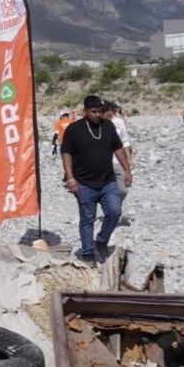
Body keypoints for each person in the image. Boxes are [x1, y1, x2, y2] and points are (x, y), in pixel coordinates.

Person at [62, 95, 132, 261]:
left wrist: (127, 170)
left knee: (115, 212)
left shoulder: (107, 126)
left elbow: (118, 148)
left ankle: (101, 241)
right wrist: (70, 178)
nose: (97, 115)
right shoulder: (74, 129)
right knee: (87, 219)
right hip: (84, 183)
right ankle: (87, 253)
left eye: (100, 112)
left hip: (107, 181)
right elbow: (66, 153)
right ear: (85, 111)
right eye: (93, 112)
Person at [102, 101, 133, 198]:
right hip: (105, 161)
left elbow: (125, 141)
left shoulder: (119, 122)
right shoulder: (99, 123)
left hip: (120, 160)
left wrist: (128, 159)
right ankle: (111, 207)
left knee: (123, 190)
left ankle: (114, 207)